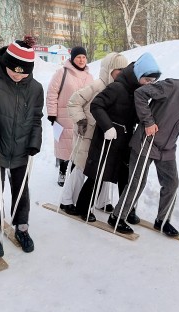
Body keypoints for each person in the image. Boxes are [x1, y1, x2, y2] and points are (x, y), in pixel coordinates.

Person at [108, 64, 179, 235]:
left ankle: (162, 220)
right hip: (146, 141)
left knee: (172, 184)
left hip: (167, 148)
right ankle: (117, 217)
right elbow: (141, 94)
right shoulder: (172, 86)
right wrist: (148, 122)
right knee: (137, 182)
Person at [0, 36, 44, 257]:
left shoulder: (35, 88)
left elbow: (35, 118)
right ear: (7, 64)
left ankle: (22, 228)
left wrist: (34, 143)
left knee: (21, 191)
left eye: (24, 72)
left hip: (22, 149)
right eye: (15, 70)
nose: (18, 75)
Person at [75, 52, 162, 222]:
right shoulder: (117, 88)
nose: (149, 84)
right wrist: (107, 127)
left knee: (125, 177)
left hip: (125, 140)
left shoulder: (139, 92)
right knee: (98, 175)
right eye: (147, 80)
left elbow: (134, 115)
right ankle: (83, 207)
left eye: (152, 81)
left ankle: (125, 210)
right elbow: (97, 105)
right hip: (108, 138)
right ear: (138, 75)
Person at [60, 52, 129, 216]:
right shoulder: (97, 86)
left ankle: (102, 201)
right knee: (81, 167)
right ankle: (67, 201)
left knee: (105, 167)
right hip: (87, 133)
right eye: (118, 69)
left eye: (124, 70)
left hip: (104, 135)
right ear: (108, 69)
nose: (121, 73)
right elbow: (74, 102)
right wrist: (81, 120)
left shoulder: (120, 89)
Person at [46, 46, 93, 187]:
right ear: (72, 58)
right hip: (63, 116)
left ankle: (73, 175)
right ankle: (62, 172)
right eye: (78, 57)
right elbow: (52, 93)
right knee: (64, 147)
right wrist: (52, 114)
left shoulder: (89, 76)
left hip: (81, 118)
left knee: (78, 148)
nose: (81, 60)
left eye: (84, 57)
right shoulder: (62, 73)